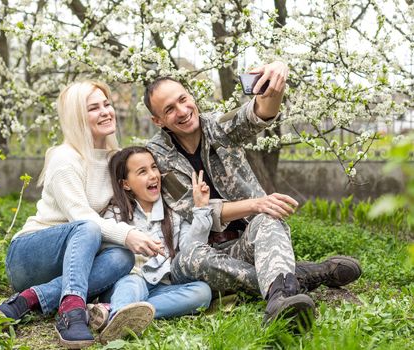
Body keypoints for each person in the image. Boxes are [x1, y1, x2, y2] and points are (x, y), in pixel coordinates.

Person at [144, 61, 362, 325]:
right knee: (191, 257)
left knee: (268, 218)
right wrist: (256, 203)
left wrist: (276, 82)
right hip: (202, 252)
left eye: (183, 99)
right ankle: (298, 276)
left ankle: (281, 300)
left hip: (247, 244)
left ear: (191, 96)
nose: (182, 111)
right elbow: (197, 209)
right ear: (157, 120)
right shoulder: (157, 157)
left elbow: (257, 113)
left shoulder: (217, 125)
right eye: (169, 109)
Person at [0, 81, 165, 348]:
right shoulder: (66, 158)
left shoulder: (114, 159)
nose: (106, 111)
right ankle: (71, 311)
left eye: (107, 104)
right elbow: (81, 217)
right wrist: (127, 234)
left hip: (75, 261)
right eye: (94, 108)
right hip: (30, 255)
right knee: (89, 227)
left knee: (122, 256)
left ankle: (30, 299)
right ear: (77, 117)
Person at [89, 146, 212, 344]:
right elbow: (106, 256)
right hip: (128, 282)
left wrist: (201, 209)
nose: (153, 175)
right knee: (134, 283)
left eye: (154, 167)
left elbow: (191, 250)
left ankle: (123, 313)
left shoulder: (173, 214)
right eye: (142, 171)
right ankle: (118, 320)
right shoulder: (115, 214)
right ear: (126, 184)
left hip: (161, 286)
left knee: (202, 292)